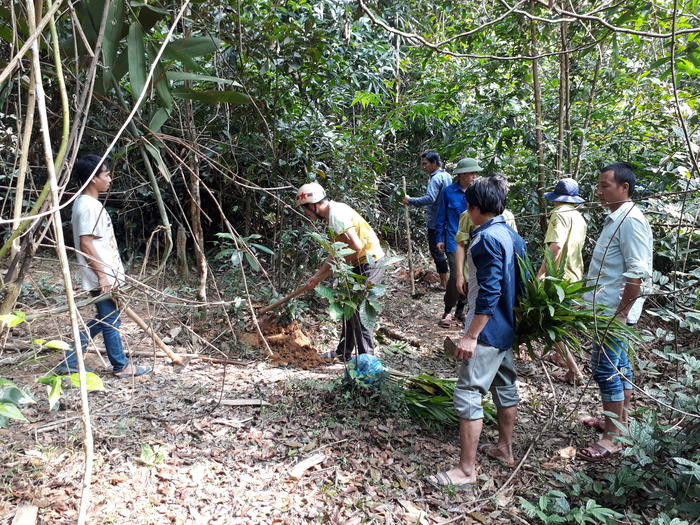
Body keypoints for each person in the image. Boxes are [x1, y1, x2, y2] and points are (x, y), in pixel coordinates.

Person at [426, 175, 527, 488]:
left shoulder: (485, 240)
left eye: (468, 206)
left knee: (469, 393)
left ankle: (466, 470)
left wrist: (471, 334)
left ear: (475, 207)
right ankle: (505, 449)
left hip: (488, 329)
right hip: (506, 327)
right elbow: (522, 285)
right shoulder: (512, 236)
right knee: (505, 385)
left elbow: (490, 291)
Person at [577, 163, 653, 462]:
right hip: (606, 310)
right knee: (619, 367)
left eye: (605, 185)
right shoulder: (616, 219)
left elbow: (637, 275)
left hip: (613, 314)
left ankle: (611, 438)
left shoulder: (630, 221)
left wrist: (620, 315)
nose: (599, 191)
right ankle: (618, 425)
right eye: (598, 185)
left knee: (606, 370)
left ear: (625, 188)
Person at [58, 155, 151, 377]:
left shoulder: (88, 203)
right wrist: (102, 277)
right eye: (106, 174)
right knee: (110, 321)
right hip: (101, 276)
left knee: (107, 319)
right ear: (93, 179)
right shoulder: (89, 207)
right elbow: (85, 243)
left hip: (105, 275)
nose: (109, 179)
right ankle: (120, 365)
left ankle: (71, 359)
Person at [296, 182, 385, 361]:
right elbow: (335, 252)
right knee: (348, 308)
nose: (306, 214)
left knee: (361, 312)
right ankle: (343, 352)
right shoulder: (332, 213)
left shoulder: (336, 215)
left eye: (305, 210)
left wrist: (329, 273)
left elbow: (357, 247)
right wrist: (317, 276)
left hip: (370, 261)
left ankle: (367, 361)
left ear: (312, 205)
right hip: (357, 263)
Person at [536, 178, 587, 384]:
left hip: (559, 278)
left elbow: (555, 248)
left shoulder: (558, 214)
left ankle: (575, 371)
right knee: (560, 322)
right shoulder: (579, 217)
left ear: (557, 198)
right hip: (575, 275)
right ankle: (559, 356)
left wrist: (540, 274)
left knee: (549, 324)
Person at [454, 174, 518, 309]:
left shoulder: (507, 217)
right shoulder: (469, 215)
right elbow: (461, 244)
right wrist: (460, 275)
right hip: (474, 272)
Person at [434, 158, 482, 327]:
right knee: (456, 275)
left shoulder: (478, 191)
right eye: (471, 172)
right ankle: (447, 310)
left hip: (474, 239)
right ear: (461, 174)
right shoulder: (448, 192)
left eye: (475, 172)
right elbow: (441, 215)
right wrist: (439, 237)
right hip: (454, 240)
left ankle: (460, 310)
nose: (474, 175)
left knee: (470, 276)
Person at [403, 150, 453, 289]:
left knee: (437, 252)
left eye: (425, 164)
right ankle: (449, 282)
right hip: (447, 221)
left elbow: (430, 198)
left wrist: (410, 200)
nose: (423, 167)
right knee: (447, 252)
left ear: (434, 163)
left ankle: (444, 283)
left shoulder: (436, 178)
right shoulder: (447, 176)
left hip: (437, 222)